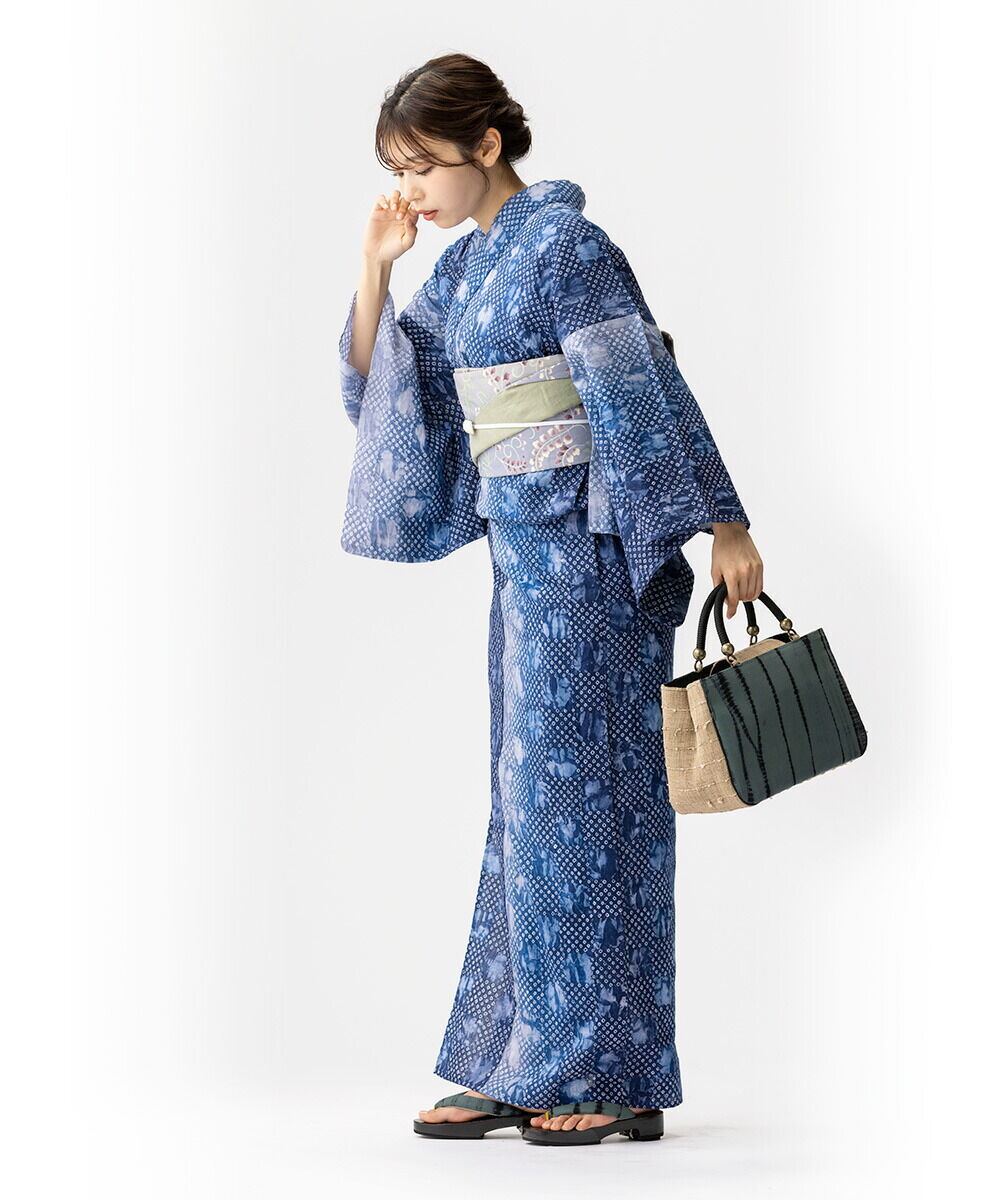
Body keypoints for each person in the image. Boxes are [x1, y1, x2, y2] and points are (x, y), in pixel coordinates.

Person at [338, 53, 763, 1146]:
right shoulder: (467, 268)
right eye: (397, 171)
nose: (412, 190)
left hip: (593, 556)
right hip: (524, 566)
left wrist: (722, 523)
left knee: (594, 806)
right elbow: (390, 385)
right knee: (528, 804)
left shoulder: (568, 246)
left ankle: (606, 1072)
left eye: (425, 166)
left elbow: (640, 383)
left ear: (487, 146)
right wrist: (377, 268)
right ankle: (519, 1056)